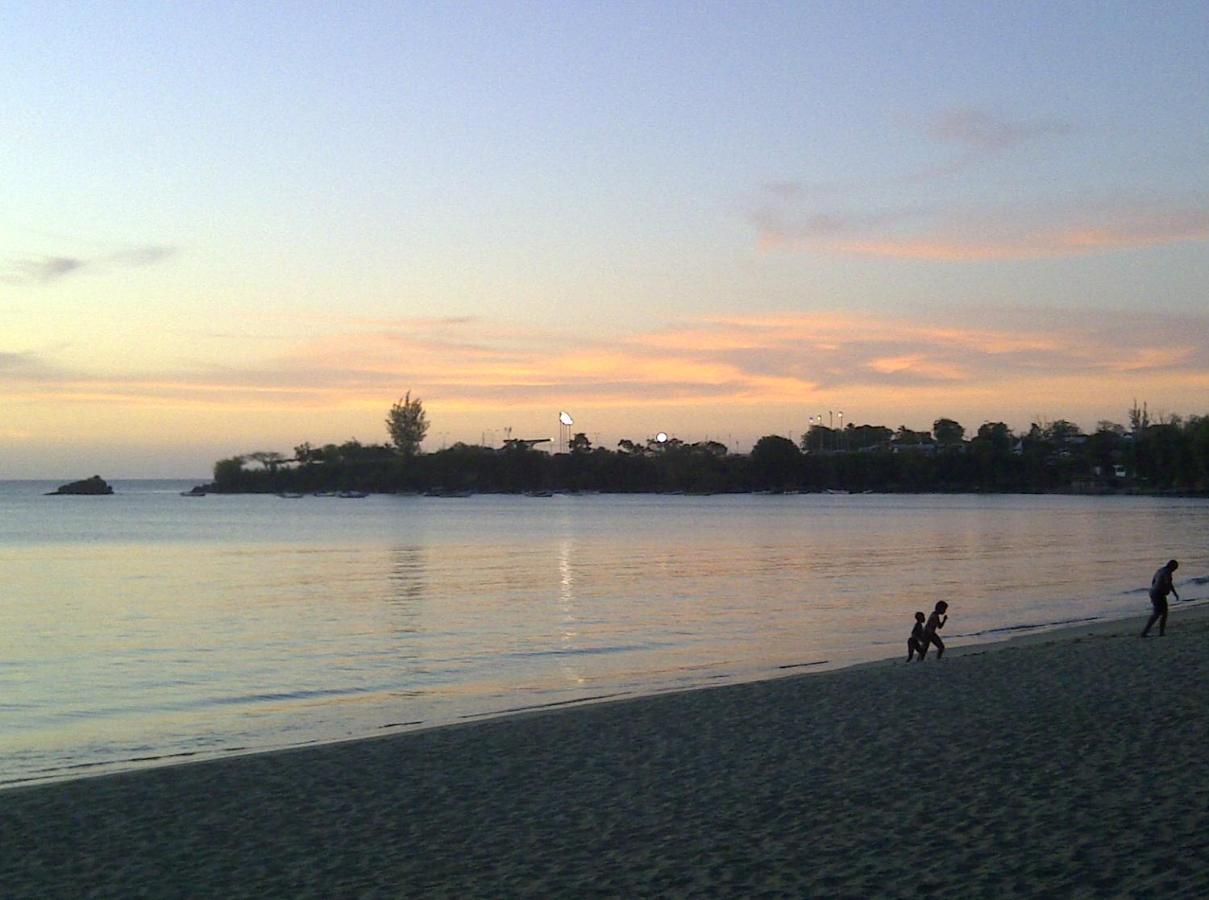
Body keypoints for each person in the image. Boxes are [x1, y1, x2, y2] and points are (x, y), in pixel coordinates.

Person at [1141, 559, 1180, 638]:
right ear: (1172, 566)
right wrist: (1168, 591)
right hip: (1158, 593)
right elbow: (1168, 582)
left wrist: (1173, 593)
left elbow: (1153, 581)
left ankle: (1158, 632)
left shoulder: (1160, 570)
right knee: (1159, 613)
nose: (1175, 570)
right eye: (1175, 568)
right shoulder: (1167, 572)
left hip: (1153, 591)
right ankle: (1147, 632)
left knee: (1161, 612)